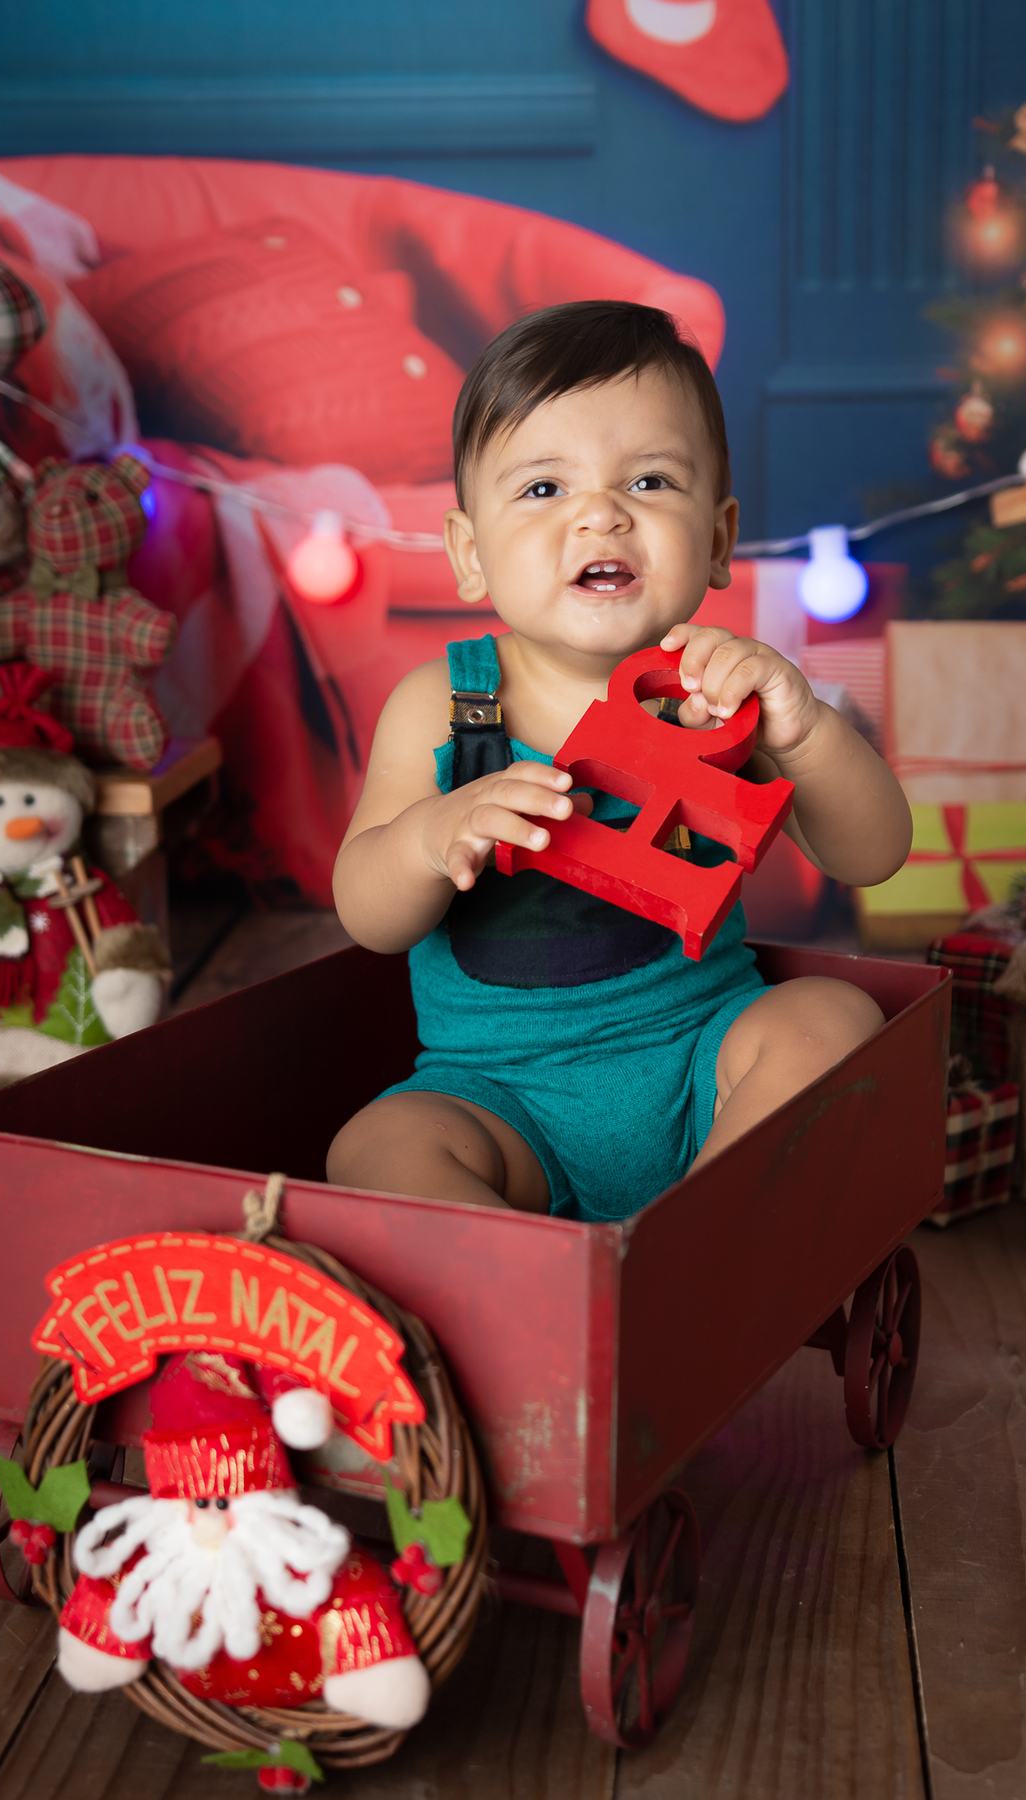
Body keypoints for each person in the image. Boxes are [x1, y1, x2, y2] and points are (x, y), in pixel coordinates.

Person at [330, 301, 911, 1221]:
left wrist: (801, 731)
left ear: (717, 540)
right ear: (469, 555)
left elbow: (873, 854)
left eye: (647, 481)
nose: (601, 516)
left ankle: (693, 1240)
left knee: (832, 1018)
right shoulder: (442, 707)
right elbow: (369, 915)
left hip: (702, 1061)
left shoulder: (722, 698)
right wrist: (431, 836)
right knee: (375, 1146)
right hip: (501, 1094)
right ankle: (527, 1290)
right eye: (543, 489)